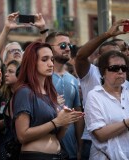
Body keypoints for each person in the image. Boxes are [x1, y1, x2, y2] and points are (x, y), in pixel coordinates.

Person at [13, 41, 84, 160]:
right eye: (44, 59)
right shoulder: (24, 92)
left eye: (52, 59)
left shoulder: (50, 92)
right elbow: (22, 135)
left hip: (58, 154)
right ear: (32, 62)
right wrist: (56, 122)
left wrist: (65, 123)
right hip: (36, 156)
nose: (51, 64)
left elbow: (56, 136)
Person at [75, 19, 129, 160]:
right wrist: (107, 35)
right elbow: (81, 56)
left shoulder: (126, 86)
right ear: (100, 60)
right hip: (95, 145)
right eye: (113, 66)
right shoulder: (90, 73)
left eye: (122, 67)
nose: (119, 69)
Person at [85, 50, 129, 159]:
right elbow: (100, 134)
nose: (120, 71)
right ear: (103, 72)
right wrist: (127, 122)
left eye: (124, 68)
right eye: (114, 68)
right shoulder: (95, 96)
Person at [46, 32, 83, 160]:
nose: (67, 49)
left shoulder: (73, 79)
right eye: (62, 45)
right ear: (50, 48)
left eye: (69, 45)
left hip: (71, 150)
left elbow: (78, 115)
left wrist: (79, 147)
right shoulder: (41, 77)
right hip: (46, 149)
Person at [0, 60, 20, 160]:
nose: (6, 74)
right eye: (6, 71)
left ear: (20, 74)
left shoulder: (27, 96)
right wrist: (10, 119)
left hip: (20, 147)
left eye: (10, 72)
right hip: (1, 145)